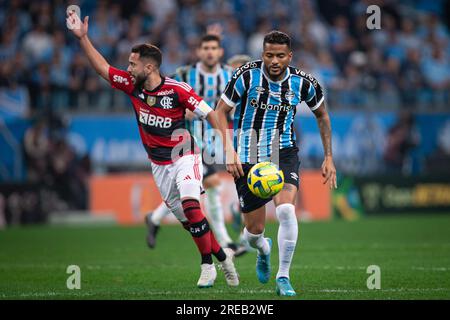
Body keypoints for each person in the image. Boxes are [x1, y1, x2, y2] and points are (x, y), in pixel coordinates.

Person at [66, 11, 239, 288]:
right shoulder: (132, 86)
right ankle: (222, 256)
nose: (128, 68)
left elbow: (212, 114)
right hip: (158, 164)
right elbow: (102, 68)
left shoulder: (177, 90)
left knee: (191, 205)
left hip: (184, 154)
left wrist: (228, 150)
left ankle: (207, 266)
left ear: (149, 68)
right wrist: (83, 38)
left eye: (132, 64)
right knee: (191, 222)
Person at [215, 31, 337, 296]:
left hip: (283, 153)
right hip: (247, 157)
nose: (274, 60)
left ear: (289, 57)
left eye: (280, 56)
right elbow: (219, 112)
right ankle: (264, 248)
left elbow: (323, 116)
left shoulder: (305, 83)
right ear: (262, 54)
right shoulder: (246, 75)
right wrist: (229, 151)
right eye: (269, 55)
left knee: (285, 211)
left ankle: (283, 276)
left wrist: (328, 156)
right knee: (254, 231)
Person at [145, 34, 238, 251]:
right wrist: (178, 109)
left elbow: (232, 105)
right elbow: (165, 93)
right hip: (187, 142)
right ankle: (225, 242)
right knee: (213, 182)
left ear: (220, 52)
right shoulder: (185, 74)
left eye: (214, 47)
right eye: (205, 47)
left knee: (191, 190)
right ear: (199, 51)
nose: (209, 52)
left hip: (212, 141)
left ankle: (155, 218)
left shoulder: (229, 75)